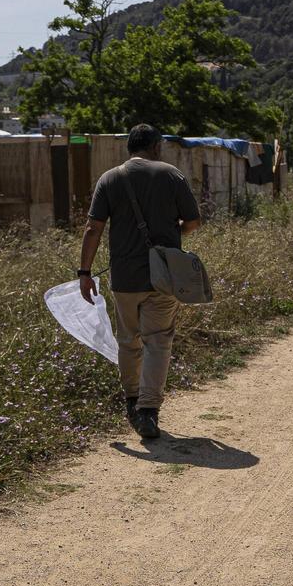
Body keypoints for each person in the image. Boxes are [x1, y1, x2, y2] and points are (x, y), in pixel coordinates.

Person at [78, 124, 202, 439]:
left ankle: (131, 399)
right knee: (159, 341)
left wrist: (85, 273)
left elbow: (93, 229)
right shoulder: (172, 176)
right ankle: (149, 411)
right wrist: (174, 236)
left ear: (130, 148)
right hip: (163, 277)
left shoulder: (110, 179)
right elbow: (193, 222)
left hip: (124, 279)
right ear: (156, 146)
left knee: (128, 340)